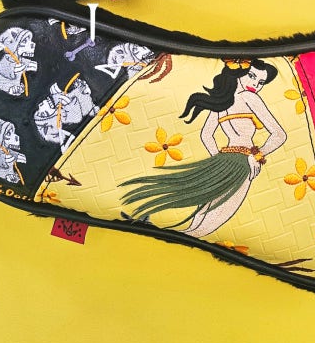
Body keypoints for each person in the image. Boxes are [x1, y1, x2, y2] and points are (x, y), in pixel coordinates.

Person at [120, 58, 287, 237]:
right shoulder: (249, 97)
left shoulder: (221, 102)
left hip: (223, 159)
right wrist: (256, 156)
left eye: (261, 82)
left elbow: (206, 135)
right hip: (242, 163)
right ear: (238, 72)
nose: (255, 85)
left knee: (200, 216)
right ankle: (159, 233)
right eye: (252, 76)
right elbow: (279, 134)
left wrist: (217, 159)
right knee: (206, 225)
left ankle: (148, 225)